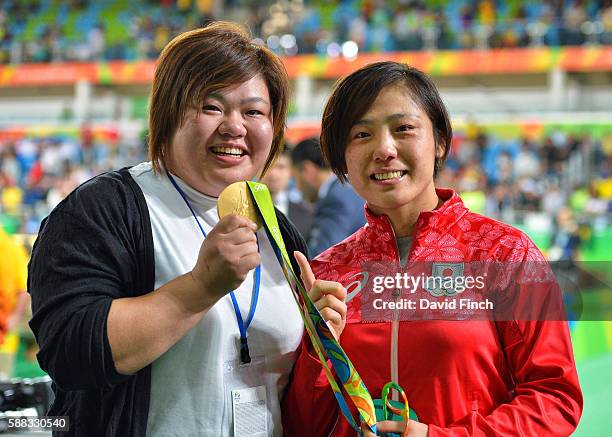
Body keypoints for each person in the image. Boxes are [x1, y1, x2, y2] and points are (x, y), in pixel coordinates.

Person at [28, 22, 322, 436]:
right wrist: (200, 287)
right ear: (167, 115)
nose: (234, 126)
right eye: (211, 106)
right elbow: (70, 352)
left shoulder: (278, 228)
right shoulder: (103, 209)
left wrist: (320, 336)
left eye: (254, 111)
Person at [282, 62, 582, 436]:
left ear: (439, 141)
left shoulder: (505, 253)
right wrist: (318, 353)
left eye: (403, 128)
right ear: (342, 156)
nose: (384, 149)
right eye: (361, 134)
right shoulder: (328, 272)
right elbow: (302, 425)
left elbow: (555, 399)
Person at [291, 137, 365, 256]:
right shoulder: (347, 188)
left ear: (307, 169)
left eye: (295, 179)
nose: (298, 188)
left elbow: (322, 257)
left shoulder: (335, 200)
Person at [260, 147, 314, 238]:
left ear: (291, 171)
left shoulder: (307, 213)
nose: (274, 173)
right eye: (267, 166)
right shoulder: (244, 209)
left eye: (281, 167)